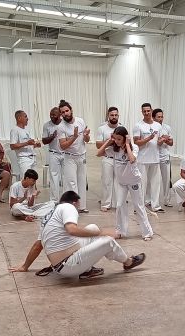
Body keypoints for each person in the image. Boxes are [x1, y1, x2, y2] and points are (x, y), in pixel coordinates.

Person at [12, 191, 145, 279]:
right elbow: (72, 230)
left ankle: (87, 270)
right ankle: (128, 262)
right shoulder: (68, 207)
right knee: (107, 241)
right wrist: (104, 232)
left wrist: (25, 266)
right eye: (78, 205)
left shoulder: (50, 215)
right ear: (74, 202)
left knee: (92, 227)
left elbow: (37, 245)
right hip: (68, 265)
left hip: (62, 262)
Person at [97, 126, 153, 241]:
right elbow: (99, 153)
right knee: (119, 205)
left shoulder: (134, 147)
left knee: (138, 206)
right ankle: (121, 231)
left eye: (119, 139)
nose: (116, 142)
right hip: (121, 182)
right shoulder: (114, 149)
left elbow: (132, 159)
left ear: (125, 138)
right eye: (115, 139)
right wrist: (108, 141)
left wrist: (127, 144)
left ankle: (147, 232)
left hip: (134, 181)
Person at [58, 100, 90, 213]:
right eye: (63, 112)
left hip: (82, 156)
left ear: (71, 110)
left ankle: (82, 207)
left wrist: (86, 136)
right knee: (71, 183)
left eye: (67, 110)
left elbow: (87, 140)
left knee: (82, 181)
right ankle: (72, 208)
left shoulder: (80, 121)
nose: (65, 113)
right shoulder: (61, 127)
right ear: (61, 114)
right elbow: (63, 146)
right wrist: (74, 137)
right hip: (69, 158)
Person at [133, 103, 163, 212]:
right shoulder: (138, 125)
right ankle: (139, 207)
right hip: (142, 160)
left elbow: (158, 142)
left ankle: (156, 206)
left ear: (151, 111)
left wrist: (162, 140)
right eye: (144, 111)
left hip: (155, 159)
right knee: (142, 184)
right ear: (142, 112)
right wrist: (148, 138)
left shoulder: (158, 125)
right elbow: (136, 142)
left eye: (148, 111)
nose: (146, 113)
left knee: (156, 184)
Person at [96, 106, 121, 212]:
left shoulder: (122, 128)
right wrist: (109, 142)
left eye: (116, 115)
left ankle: (118, 203)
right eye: (112, 115)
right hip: (107, 158)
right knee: (107, 182)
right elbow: (98, 145)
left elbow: (126, 142)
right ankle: (106, 203)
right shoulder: (102, 128)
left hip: (119, 158)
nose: (114, 117)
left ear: (118, 116)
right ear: (108, 115)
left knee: (119, 182)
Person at [42, 107, 64, 202]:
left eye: (54, 115)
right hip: (53, 153)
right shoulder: (47, 125)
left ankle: (66, 199)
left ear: (59, 115)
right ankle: (54, 200)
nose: (51, 116)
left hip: (66, 154)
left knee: (67, 177)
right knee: (54, 177)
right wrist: (52, 136)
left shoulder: (65, 124)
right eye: (50, 114)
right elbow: (44, 141)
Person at [154, 108, 174, 209]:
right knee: (154, 180)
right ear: (154, 117)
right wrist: (162, 139)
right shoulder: (152, 128)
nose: (161, 119)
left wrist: (165, 140)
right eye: (158, 117)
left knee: (166, 179)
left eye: (162, 117)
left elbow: (171, 142)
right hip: (155, 157)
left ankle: (167, 200)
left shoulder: (167, 127)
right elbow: (156, 142)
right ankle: (153, 200)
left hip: (165, 156)